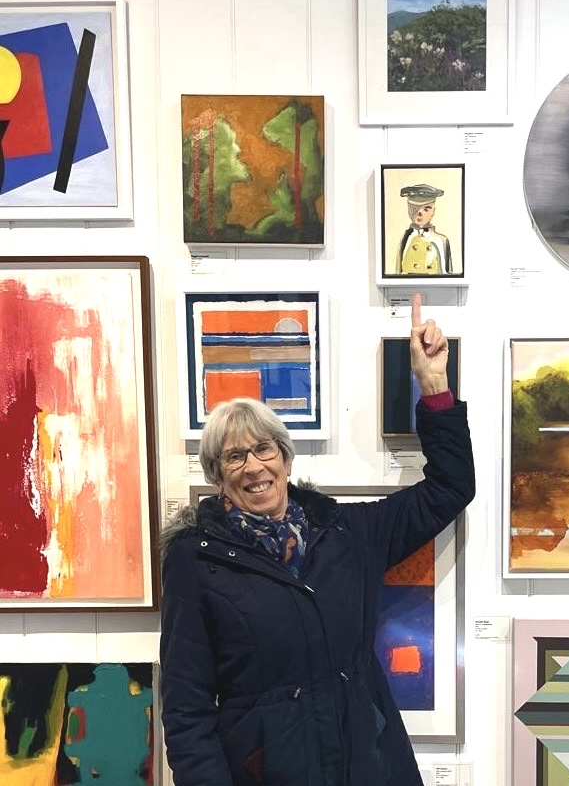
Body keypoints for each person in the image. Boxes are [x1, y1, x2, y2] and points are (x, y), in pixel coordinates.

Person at [159, 293, 475, 786]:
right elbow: (186, 709)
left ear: (286, 460)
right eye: (234, 457)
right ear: (217, 476)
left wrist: (433, 385)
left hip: (365, 765)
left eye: (264, 449)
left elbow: (450, 488)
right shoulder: (196, 560)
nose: (253, 467)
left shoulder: (348, 531)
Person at [396, 184, 453, 275]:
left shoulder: (441, 240)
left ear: (433, 211)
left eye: (426, 209)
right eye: (414, 208)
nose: (419, 213)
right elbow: (398, 272)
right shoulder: (406, 237)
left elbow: (447, 274)